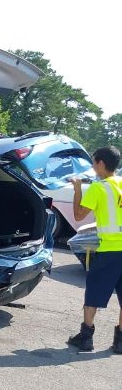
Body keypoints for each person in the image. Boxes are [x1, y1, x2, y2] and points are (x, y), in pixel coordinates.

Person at [68, 146, 122, 352]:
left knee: (94, 294)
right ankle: (120, 341)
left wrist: (78, 189)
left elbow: (79, 215)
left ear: (100, 163)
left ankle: (86, 337)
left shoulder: (99, 188)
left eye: (93, 162)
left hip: (110, 250)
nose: (92, 166)